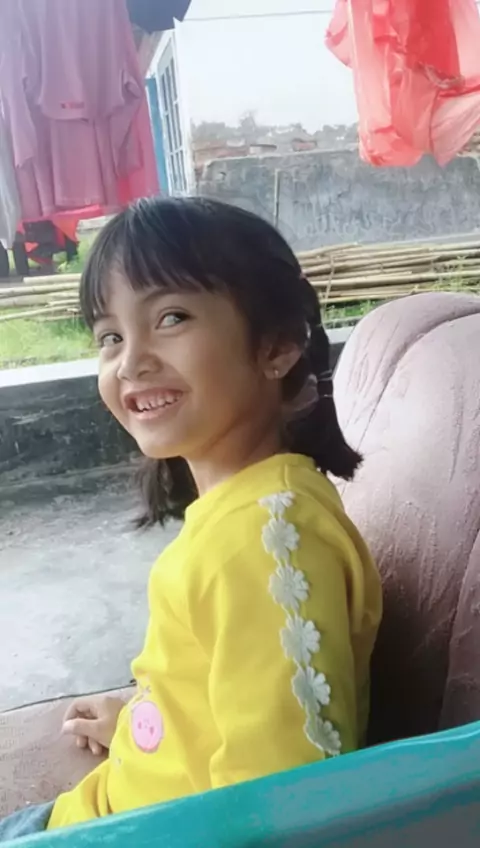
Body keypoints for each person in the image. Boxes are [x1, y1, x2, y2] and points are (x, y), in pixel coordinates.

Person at [0, 197, 382, 840]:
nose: (130, 361)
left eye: (170, 318)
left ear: (277, 345)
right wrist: (144, 720)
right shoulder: (248, 511)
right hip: (103, 813)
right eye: (111, 336)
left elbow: (281, 805)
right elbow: (227, 686)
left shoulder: (262, 543)